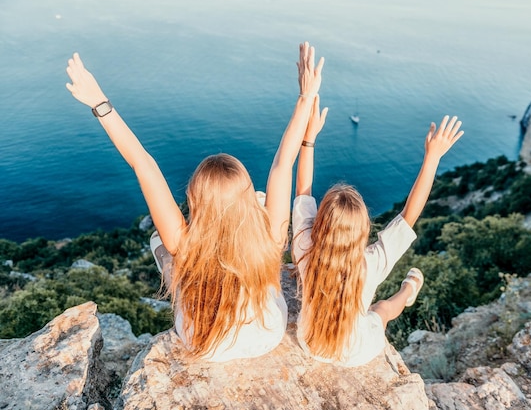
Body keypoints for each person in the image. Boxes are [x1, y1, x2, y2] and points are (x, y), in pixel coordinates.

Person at [65, 41, 324, 361]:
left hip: (203, 343)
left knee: (161, 240)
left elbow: (143, 163)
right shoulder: (270, 235)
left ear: (195, 197)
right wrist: (305, 96)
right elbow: (283, 164)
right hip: (267, 333)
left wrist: (99, 102)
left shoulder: (183, 242)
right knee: (260, 225)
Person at [292, 108, 463, 367]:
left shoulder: (305, 242)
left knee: (374, 309)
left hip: (309, 342)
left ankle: (407, 290)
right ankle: (408, 290)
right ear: (362, 230)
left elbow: (303, 190)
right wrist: (433, 158)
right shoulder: (370, 263)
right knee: (382, 309)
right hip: (352, 352)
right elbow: (409, 216)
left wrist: (309, 138)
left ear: (321, 222)